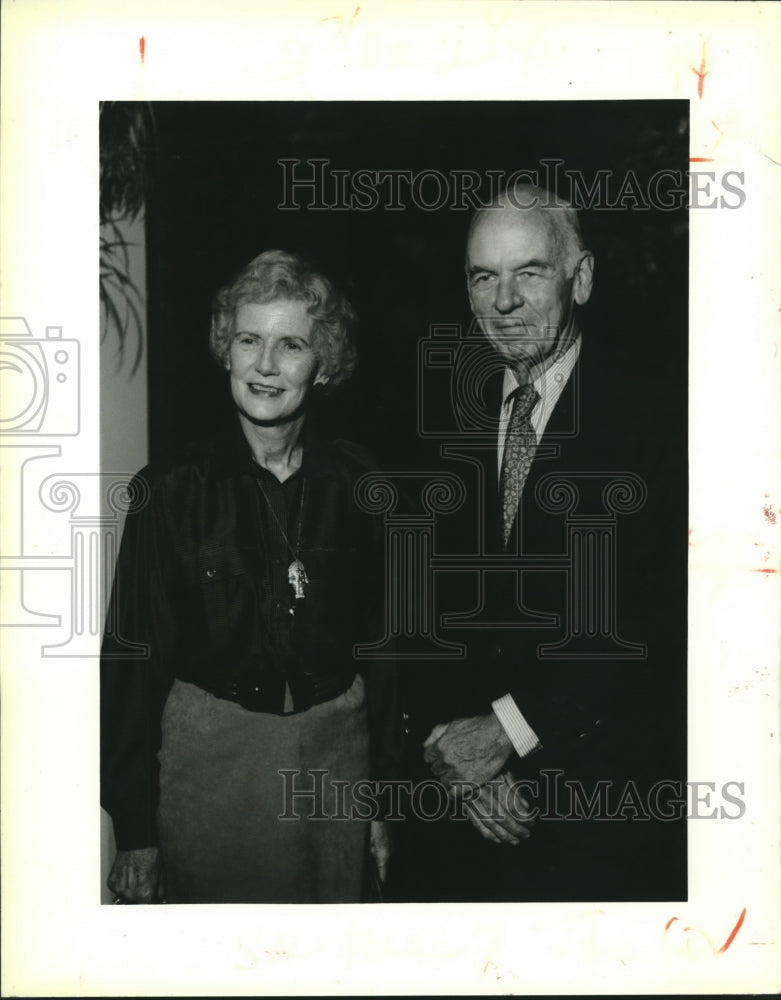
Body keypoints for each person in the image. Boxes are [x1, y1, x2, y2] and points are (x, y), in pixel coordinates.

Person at [395, 183, 687, 902]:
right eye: (482, 276)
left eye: (528, 272)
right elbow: (408, 609)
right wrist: (461, 765)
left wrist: (510, 733)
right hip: (454, 819)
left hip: (593, 819)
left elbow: (660, 624)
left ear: (579, 278)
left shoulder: (657, 423)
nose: (503, 301)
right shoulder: (429, 415)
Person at [101, 249, 398, 904]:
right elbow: (130, 662)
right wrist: (135, 831)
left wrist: (383, 801)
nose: (265, 365)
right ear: (225, 351)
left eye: (290, 344)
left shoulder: (362, 487)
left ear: (323, 365)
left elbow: (385, 657)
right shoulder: (169, 492)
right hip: (214, 771)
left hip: (336, 767)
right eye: (248, 340)